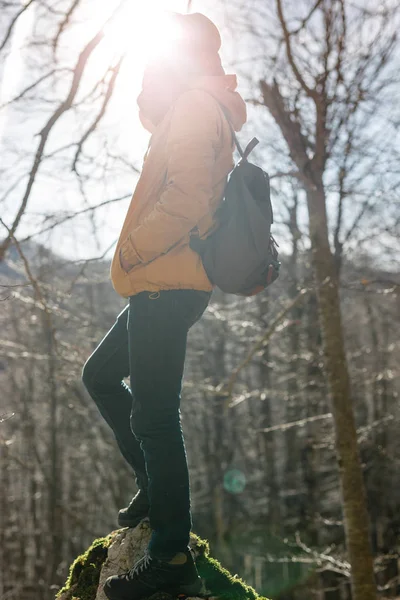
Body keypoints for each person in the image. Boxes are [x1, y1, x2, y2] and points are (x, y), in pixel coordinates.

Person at [82, 12, 246, 600]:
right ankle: (153, 489)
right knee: (99, 375)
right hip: (163, 281)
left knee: (155, 415)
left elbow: (186, 198)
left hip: (166, 282)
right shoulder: (188, 107)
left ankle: (172, 553)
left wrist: (131, 248)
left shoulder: (198, 106)